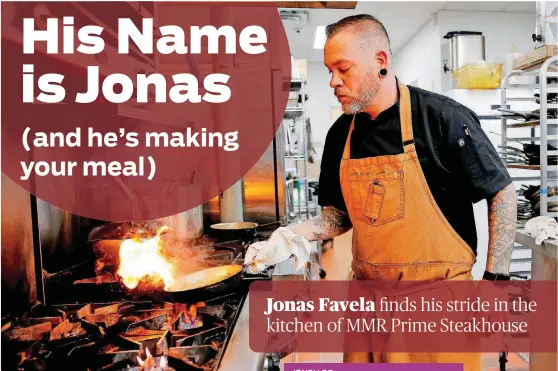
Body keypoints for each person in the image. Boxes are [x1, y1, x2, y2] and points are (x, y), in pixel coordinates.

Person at [248, 14, 517, 369]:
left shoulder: (443, 118)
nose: (333, 81)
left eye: (343, 69)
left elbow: (502, 192)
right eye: (330, 70)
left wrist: (495, 279)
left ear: (380, 62)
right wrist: (290, 236)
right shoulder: (339, 135)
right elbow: (338, 216)